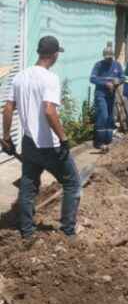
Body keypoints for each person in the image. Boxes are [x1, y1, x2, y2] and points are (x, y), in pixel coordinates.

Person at [0, 36, 81, 241]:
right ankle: (68, 231)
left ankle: (27, 231)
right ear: (53, 55)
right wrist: (63, 138)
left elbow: (8, 108)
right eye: (57, 54)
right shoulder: (50, 78)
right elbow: (49, 111)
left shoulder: (20, 77)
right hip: (50, 145)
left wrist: (7, 137)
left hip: (29, 143)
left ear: (39, 53)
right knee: (71, 183)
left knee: (28, 186)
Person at [90, 42, 124, 151]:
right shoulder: (98, 65)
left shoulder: (117, 65)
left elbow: (123, 77)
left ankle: (108, 139)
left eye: (110, 58)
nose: (108, 60)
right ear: (103, 56)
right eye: (106, 58)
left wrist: (118, 81)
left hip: (111, 95)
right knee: (103, 115)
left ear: (113, 56)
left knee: (110, 117)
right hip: (101, 95)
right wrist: (105, 83)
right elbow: (92, 78)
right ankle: (99, 141)